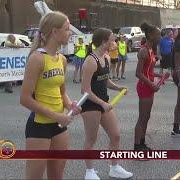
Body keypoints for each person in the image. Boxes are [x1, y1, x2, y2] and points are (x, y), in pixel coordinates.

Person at [19, 11, 81, 179]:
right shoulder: (37, 58)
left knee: (57, 176)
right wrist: (56, 115)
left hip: (59, 127)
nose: (70, 33)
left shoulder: (62, 59)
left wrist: (70, 105)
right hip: (39, 126)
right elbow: (24, 99)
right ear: (55, 32)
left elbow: (62, 93)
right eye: (67, 29)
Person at [80, 28, 133, 180]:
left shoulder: (107, 57)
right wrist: (102, 103)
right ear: (104, 42)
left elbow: (105, 79)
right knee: (91, 139)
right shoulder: (91, 60)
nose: (115, 42)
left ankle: (114, 168)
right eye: (112, 39)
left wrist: (118, 88)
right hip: (90, 104)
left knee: (115, 135)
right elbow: (85, 89)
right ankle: (89, 172)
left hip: (104, 102)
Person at [134, 22, 162, 150]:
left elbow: (148, 71)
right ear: (150, 35)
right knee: (142, 117)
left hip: (149, 86)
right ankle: (137, 146)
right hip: (144, 87)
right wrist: (152, 84)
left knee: (147, 116)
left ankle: (142, 142)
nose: (159, 38)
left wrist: (160, 76)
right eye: (158, 35)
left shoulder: (151, 50)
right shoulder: (144, 51)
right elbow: (138, 73)